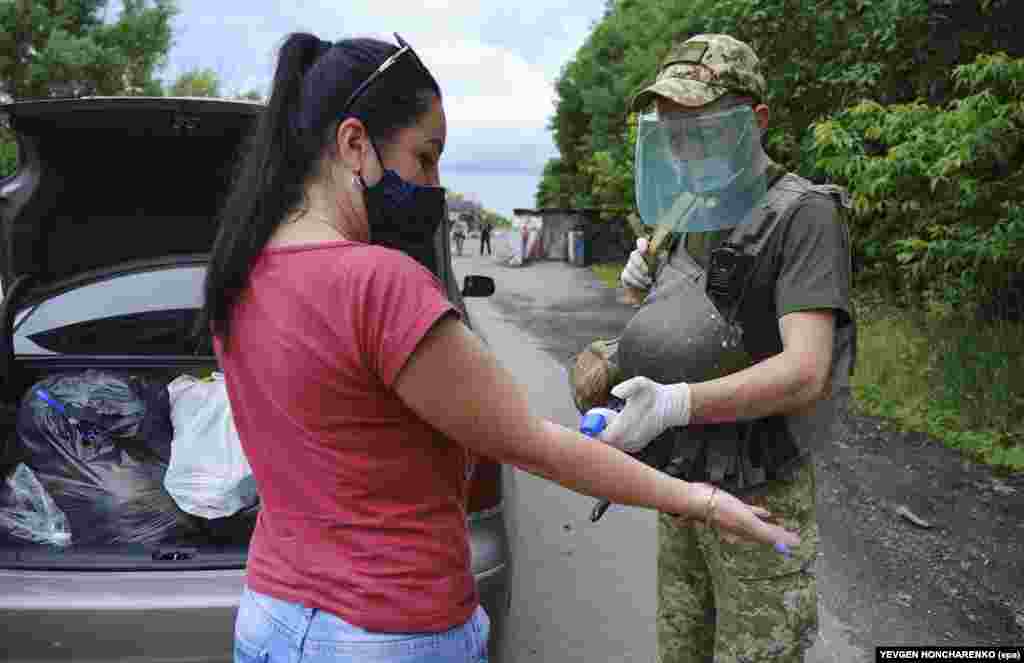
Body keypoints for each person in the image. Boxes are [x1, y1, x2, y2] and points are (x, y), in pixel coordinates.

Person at [198, 32, 800, 663]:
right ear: (354, 144)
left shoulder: (240, 270)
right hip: (384, 628)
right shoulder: (379, 283)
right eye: (425, 157)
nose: (433, 183)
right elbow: (531, 443)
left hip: (269, 618)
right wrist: (701, 500)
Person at [608, 34, 857, 663]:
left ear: (757, 122)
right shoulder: (684, 210)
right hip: (682, 484)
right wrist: (643, 294)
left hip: (761, 486)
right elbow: (689, 332)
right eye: (672, 132)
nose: (684, 148)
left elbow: (805, 373)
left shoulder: (802, 215)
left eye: (703, 128)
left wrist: (672, 404)